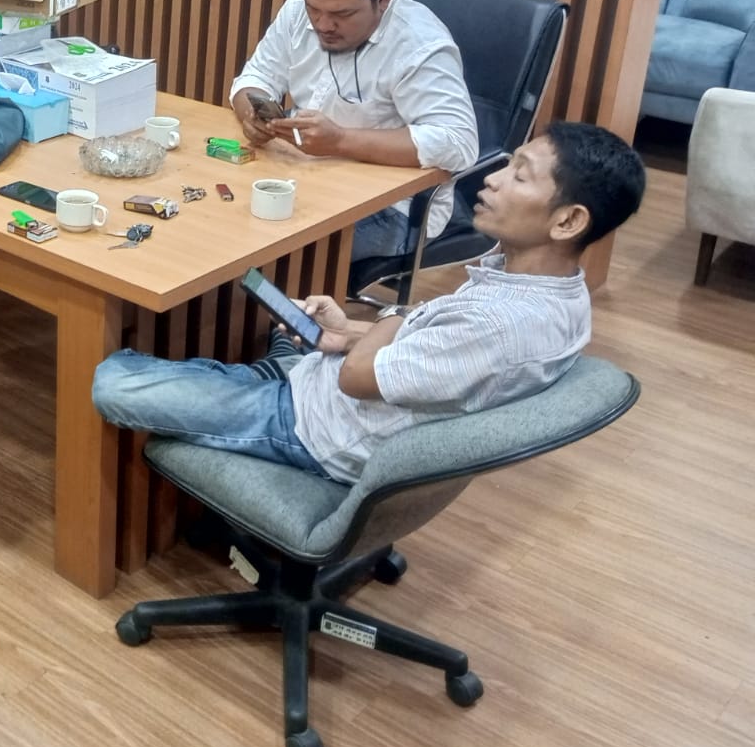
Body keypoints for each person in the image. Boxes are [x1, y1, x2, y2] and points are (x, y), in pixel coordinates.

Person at [92, 122, 646, 484]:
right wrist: (350, 334)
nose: (493, 180)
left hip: (315, 429)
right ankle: (260, 375)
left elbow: (357, 377)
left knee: (112, 381)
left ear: (568, 220)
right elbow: (440, 353)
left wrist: (387, 317)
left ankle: (252, 388)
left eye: (519, 175)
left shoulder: (500, 324)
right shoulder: (559, 295)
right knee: (291, 330)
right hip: (339, 393)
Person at [229, 0, 479, 261]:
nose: (323, 25)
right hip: (302, 173)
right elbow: (255, 77)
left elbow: (458, 141)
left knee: (265, 248)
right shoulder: (299, 7)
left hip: (391, 208)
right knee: (218, 218)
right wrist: (253, 116)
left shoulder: (420, 44)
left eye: (341, 14)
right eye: (314, 10)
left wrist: (340, 141)